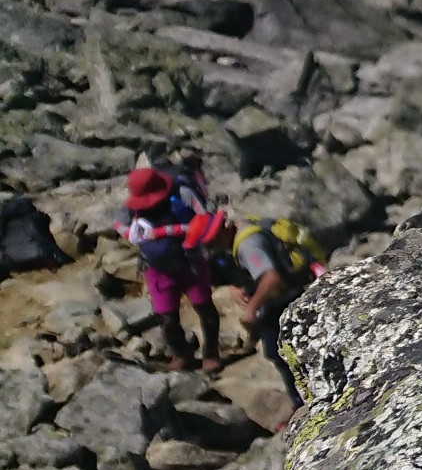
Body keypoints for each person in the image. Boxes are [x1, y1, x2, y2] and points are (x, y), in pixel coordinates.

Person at [122, 165, 223, 373]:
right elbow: (121, 225)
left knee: (204, 307)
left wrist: (165, 231)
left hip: (190, 261)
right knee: (165, 316)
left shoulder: (183, 192)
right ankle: (181, 355)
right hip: (156, 267)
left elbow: (203, 220)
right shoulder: (132, 206)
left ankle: (211, 353)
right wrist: (135, 235)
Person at [230, 216, 322, 412]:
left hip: (282, 301)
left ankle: (303, 402)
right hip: (293, 292)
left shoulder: (247, 244)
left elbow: (271, 277)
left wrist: (251, 309)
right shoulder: (247, 227)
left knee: (281, 353)